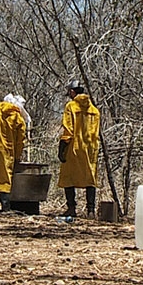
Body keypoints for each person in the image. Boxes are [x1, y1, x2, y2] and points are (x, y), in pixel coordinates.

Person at [57, 80, 101, 218]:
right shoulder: (94, 110)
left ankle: (71, 208)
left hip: (74, 147)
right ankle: (91, 210)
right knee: (90, 178)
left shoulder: (71, 106)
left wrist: (62, 147)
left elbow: (68, 130)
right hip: (90, 148)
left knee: (68, 177)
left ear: (72, 92)